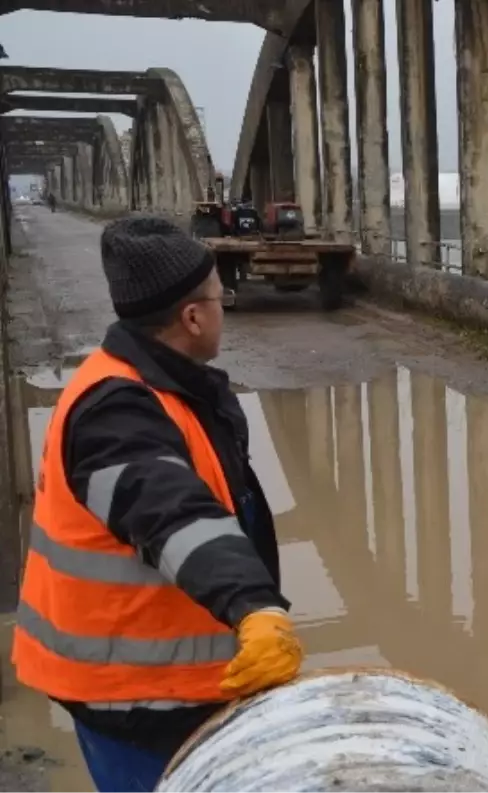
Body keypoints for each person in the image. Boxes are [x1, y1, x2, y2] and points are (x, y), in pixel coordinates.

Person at [11, 216, 304, 792]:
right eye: (221, 297)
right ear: (193, 317)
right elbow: (172, 512)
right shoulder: (115, 411)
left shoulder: (165, 385)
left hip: (159, 679)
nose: (226, 307)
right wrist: (255, 606)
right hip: (136, 699)